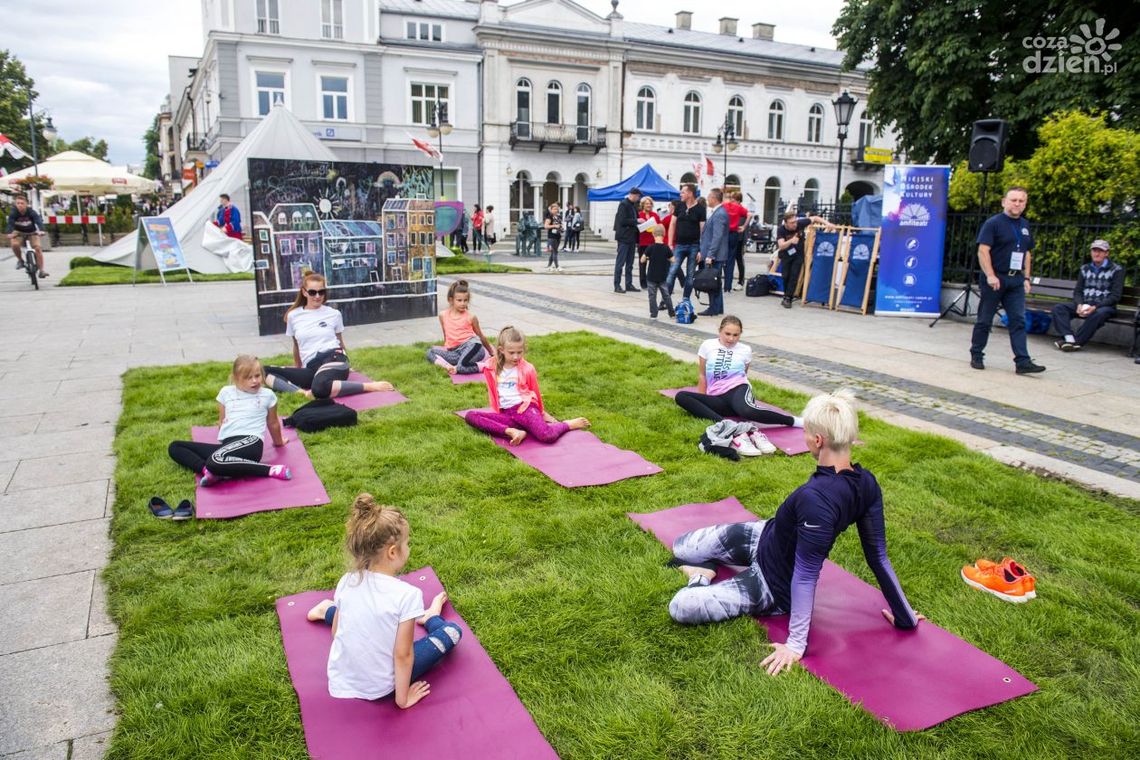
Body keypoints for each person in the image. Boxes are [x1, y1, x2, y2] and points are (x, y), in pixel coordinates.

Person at [667, 388, 923, 675]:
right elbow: (878, 556)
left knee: (681, 607)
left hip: (772, 584)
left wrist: (795, 645)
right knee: (682, 547)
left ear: (817, 440)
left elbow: (806, 572)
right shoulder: (866, 483)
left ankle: (701, 575)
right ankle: (708, 564)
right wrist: (905, 617)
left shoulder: (820, 499)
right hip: (763, 535)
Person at [306, 494, 461, 708]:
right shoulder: (407, 595)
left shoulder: (348, 580)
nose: (409, 548)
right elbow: (403, 655)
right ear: (392, 552)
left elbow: (337, 632)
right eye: (407, 544)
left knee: (358, 616)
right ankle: (431, 618)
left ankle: (326, 610)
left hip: (342, 676)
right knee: (452, 632)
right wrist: (403, 699)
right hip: (381, 685)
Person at [675, 316, 802, 454]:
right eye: (727, 334)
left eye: (736, 335)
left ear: (740, 334)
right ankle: (728, 425)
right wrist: (702, 401)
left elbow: (743, 375)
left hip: (738, 390)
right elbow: (702, 375)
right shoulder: (707, 345)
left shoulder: (745, 349)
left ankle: (794, 421)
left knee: (746, 411)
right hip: (717, 397)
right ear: (720, 331)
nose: (731, 339)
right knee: (681, 396)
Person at [263, 272, 396, 399]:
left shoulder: (334, 314)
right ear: (304, 292)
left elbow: (339, 341)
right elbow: (296, 345)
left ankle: (369, 386)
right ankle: (301, 393)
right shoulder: (293, 316)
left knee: (320, 388)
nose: (317, 296)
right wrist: (298, 368)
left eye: (321, 292)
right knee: (263, 370)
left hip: (333, 358)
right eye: (312, 292)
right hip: (311, 367)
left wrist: (346, 365)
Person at [167, 354, 292, 486]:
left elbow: (272, 423)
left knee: (215, 460)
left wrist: (279, 442)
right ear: (236, 378)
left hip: (251, 442)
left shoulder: (267, 395)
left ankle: (271, 470)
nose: (254, 381)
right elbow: (222, 421)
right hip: (228, 445)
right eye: (248, 377)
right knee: (175, 446)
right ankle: (208, 471)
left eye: (257, 375)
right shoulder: (226, 392)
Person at [465, 326, 591, 446]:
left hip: (525, 409)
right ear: (501, 350)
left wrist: (541, 412)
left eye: (519, 352)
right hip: (507, 413)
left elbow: (534, 391)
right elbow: (481, 366)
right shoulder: (491, 366)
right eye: (512, 352)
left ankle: (568, 424)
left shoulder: (528, 369)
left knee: (546, 436)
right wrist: (456, 368)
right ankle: (512, 431)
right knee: (471, 416)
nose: (516, 356)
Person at [970, 187, 1045, 374]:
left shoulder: (1025, 225)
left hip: (1015, 280)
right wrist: (990, 275)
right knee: (985, 319)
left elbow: (1027, 252)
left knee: (1018, 320)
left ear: (1025, 204)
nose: (1017, 204)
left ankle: (1022, 361)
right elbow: (983, 250)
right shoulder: (993, 223)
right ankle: (977, 353)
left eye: (1021, 201)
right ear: (1004, 201)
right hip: (996, 278)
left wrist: (1026, 277)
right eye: (1014, 200)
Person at [1051, 240, 1124, 352]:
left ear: (1107, 253)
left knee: (1098, 314)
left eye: (1100, 251)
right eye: (1094, 250)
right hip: (1085, 304)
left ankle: (1077, 342)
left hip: (1104, 306)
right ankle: (1069, 339)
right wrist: (1079, 304)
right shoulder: (1084, 268)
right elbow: (1078, 291)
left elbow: (1115, 296)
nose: (1097, 254)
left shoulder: (1116, 270)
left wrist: (1095, 307)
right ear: (1091, 252)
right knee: (1059, 308)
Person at [425, 279, 495, 375]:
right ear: (451, 300)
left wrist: (492, 352)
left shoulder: (471, 317)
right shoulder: (443, 315)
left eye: (465, 300)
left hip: (473, 347)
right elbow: (446, 333)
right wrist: (447, 347)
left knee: (461, 367)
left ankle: (486, 366)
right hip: (456, 352)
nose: (463, 303)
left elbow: (481, 336)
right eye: (459, 300)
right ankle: (447, 366)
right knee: (430, 352)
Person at [776, 210, 831, 308]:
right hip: (786, 255)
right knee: (785, 276)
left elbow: (815, 218)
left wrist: (828, 223)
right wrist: (791, 241)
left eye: (795, 221)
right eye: (792, 223)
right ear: (786, 223)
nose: (795, 224)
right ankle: (786, 295)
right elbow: (781, 245)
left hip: (798, 254)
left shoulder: (800, 224)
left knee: (794, 275)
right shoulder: (781, 230)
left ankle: (788, 298)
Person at [666, 184, 705, 301]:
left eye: (683, 192)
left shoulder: (700, 209)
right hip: (680, 244)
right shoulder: (679, 206)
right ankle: (666, 299)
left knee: (690, 275)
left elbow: (703, 231)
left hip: (694, 245)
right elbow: (672, 224)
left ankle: (685, 300)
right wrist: (669, 243)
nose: (680, 194)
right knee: (672, 271)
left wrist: (701, 250)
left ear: (690, 193)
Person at [696, 187, 729, 316]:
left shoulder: (720, 214)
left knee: (711, 282)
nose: (708, 199)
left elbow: (717, 236)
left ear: (714, 199)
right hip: (713, 254)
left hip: (715, 255)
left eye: (709, 197)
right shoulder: (717, 212)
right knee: (715, 282)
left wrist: (710, 255)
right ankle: (718, 307)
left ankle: (714, 308)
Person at [6, 195, 48, 277]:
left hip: (31, 232)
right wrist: (9, 233)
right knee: (14, 244)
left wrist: (41, 230)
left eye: (22, 203)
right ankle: (20, 260)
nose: (20, 205)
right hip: (18, 232)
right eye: (18, 203)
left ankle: (41, 270)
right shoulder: (13, 213)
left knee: (38, 248)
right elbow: (10, 223)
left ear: (26, 204)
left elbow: (38, 220)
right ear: (15, 204)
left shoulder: (31, 212)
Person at [641, 224, 675, 320]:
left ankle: (654, 314)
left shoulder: (650, 247)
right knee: (666, 295)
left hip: (651, 276)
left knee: (652, 296)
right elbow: (673, 260)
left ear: (653, 234)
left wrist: (648, 257)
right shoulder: (666, 248)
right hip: (662, 276)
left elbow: (642, 260)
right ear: (664, 234)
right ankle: (671, 313)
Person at [613, 187, 642, 293]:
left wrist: (639, 222)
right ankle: (617, 285)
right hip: (624, 238)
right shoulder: (623, 204)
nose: (638, 199)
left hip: (631, 238)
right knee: (620, 262)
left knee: (630, 263)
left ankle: (628, 284)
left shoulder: (633, 206)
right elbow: (622, 220)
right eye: (638, 196)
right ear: (633, 195)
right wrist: (636, 220)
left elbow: (634, 220)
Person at [722, 191, 749, 290]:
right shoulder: (734, 209)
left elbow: (746, 228)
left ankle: (741, 281)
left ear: (738, 200)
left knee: (739, 259)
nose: (732, 201)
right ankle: (730, 281)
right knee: (732, 260)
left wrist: (745, 241)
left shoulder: (740, 210)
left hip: (740, 239)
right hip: (736, 237)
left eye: (734, 199)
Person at [637, 196, 660, 289]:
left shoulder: (655, 215)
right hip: (642, 243)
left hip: (653, 243)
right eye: (647, 203)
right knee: (642, 264)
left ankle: (653, 281)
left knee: (654, 264)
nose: (649, 205)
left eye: (650, 203)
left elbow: (659, 227)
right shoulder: (639, 215)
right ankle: (643, 283)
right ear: (643, 205)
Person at [543, 202, 564, 271]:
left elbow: (560, 224)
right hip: (552, 236)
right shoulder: (549, 217)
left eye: (557, 209)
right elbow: (546, 226)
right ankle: (557, 266)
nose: (555, 210)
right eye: (554, 209)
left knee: (553, 252)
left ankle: (549, 265)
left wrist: (561, 227)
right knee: (555, 251)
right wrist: (554, 226)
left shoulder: (558, 216)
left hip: (558, 235)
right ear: (551, 210)